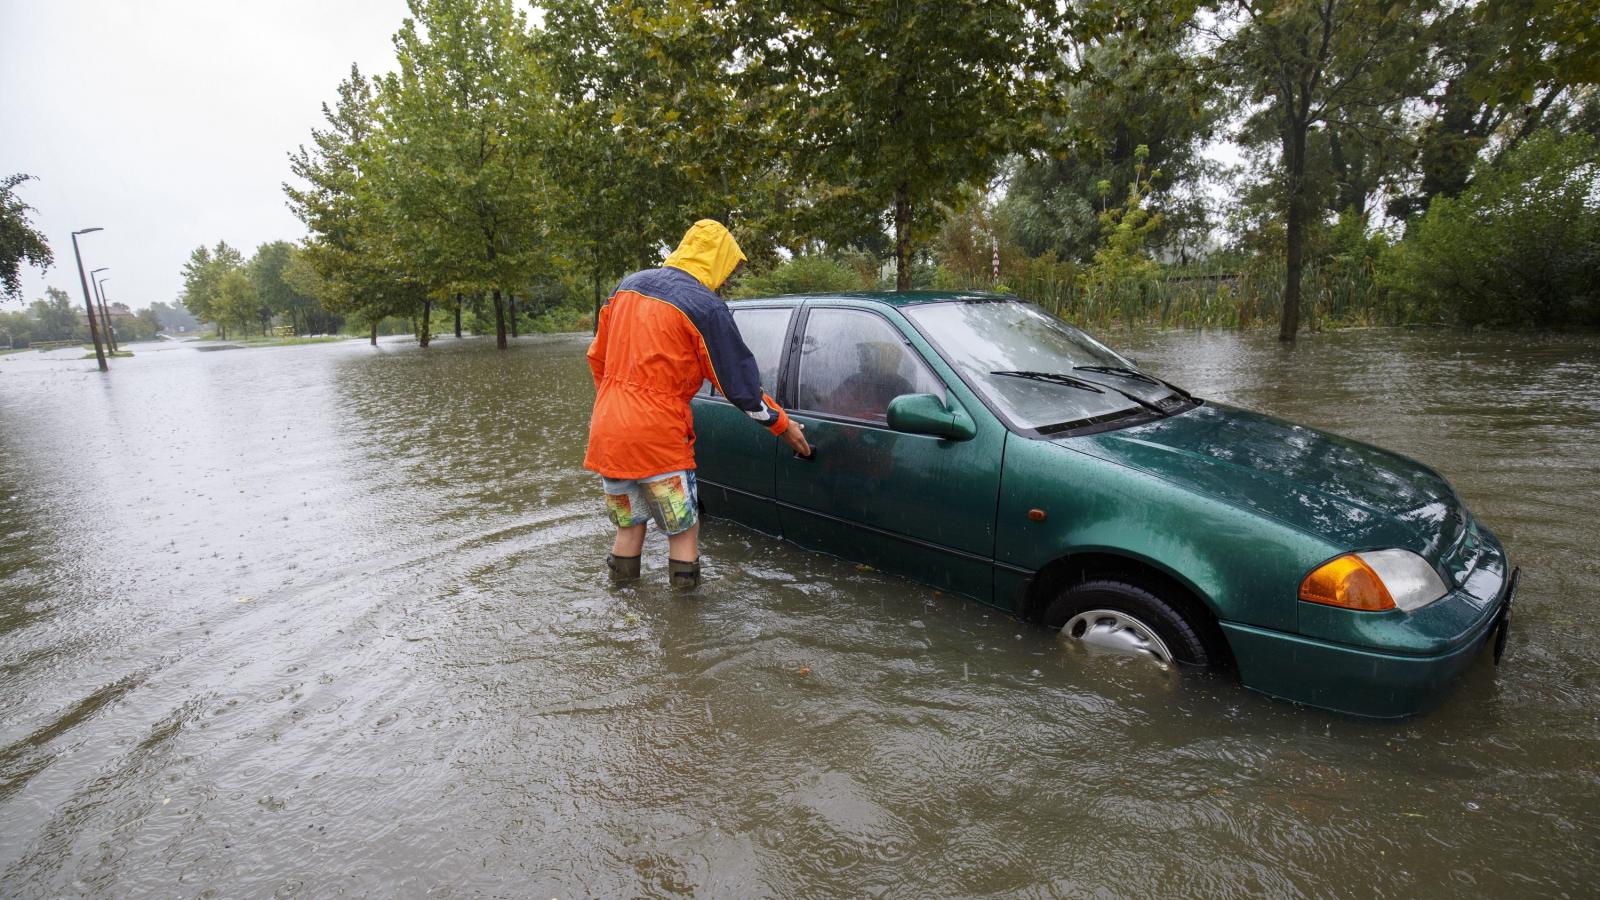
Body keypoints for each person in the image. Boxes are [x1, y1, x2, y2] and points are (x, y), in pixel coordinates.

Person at [584, 219, 810, 589]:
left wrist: (616, 407)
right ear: (717, 259)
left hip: (608, 433)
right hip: (659, 439)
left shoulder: (625, 287)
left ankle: (622, 614)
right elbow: (739, 387)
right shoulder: (705, 306)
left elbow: (597, 359)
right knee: (683, 529)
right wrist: (782, 426)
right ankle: (684, 632)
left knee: (628, 527)